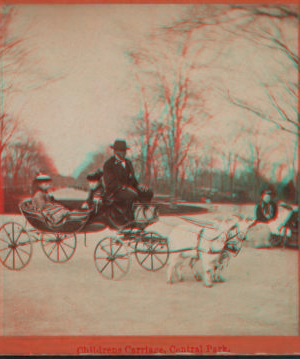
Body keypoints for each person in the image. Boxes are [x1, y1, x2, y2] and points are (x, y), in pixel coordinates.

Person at [103, 139, 153, 220]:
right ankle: (127, 218)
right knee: (132, 194)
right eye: (120, 150)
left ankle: (143, 214)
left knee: (148, 192)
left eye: (124, 150)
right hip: (115, 190)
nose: (123, 152)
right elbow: (109, 182)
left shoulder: (128, 162)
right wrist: (123, 187)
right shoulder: (109, 163)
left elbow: (132, 177)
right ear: (115, 151)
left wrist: (138, 185)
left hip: (128, 189)